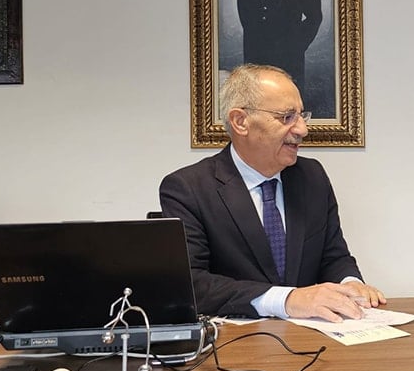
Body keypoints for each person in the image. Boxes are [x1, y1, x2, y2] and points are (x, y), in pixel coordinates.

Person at [159, 64, 384, 321]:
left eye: (302, 115)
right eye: (287, 117)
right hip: (236, 340)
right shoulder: (188, 188)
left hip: (311, 338)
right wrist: (286, 300)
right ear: (240, 121)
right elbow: (193, 283)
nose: (302, 130)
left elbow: (333, 256)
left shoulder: (312, 177)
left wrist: (350, 283)